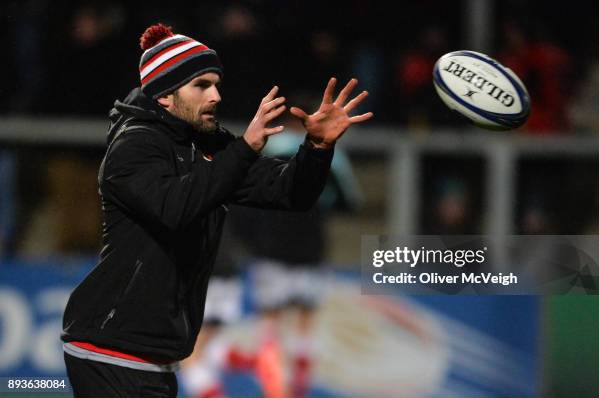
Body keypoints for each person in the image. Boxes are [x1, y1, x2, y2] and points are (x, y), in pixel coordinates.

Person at [61, 23, 372, 397]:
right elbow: (175, 208)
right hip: (109, 346)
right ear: (164, 94)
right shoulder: (133, 146)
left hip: (152, 354)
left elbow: (289, 193)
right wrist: (244, 150)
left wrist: (317, 149)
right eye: (202, 85)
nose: (216, 95)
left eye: (217, 84)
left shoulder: (205, 144)